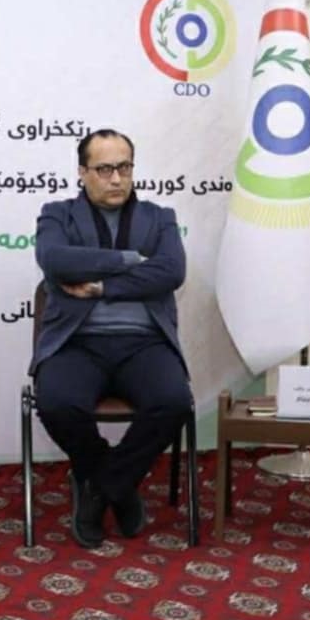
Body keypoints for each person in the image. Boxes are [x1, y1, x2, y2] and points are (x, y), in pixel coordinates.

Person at [32, 128, 192, 548]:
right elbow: (55, 260)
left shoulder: (160, 217)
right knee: (56, 402)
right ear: (82, 172)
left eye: (124, 167)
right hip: (77, 342)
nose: (117, 178)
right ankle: (114, 480)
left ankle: (103, 487)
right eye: (104, 169)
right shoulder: (57, 214)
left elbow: (171, 270)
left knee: (173, 401)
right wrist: (129, 260)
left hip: (144, 342)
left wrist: (103, 286)